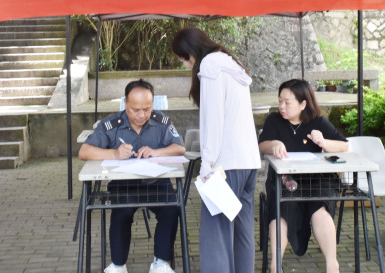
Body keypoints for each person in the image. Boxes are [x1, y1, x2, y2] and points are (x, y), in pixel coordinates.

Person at [171, 27, 261, 273]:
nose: (184, 65)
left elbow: (214, 120)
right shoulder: (231, 64)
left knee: (216, 237)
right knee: (243, 232)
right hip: (248, 161)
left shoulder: (210, 66)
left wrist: (207, 164)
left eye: (182, 60)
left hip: (225, 165)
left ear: (190, 53)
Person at [78, 79, 186, 273]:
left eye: (146, 109)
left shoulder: (161, 121)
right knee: (121, 212)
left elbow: (179, 148)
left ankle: (161, 263)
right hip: (123, 184)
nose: (141, 115)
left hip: (155, 182)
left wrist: (156, 152)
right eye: (135, 110)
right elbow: (84, 151)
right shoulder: (111, 125)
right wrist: (114, 153)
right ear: (125, 103)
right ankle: (118, 265)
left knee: (171, 209)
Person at [258, 79, 348, 273]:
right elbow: (262, 145)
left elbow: (344, 145)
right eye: (280, 101)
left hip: (317, 180)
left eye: (287, 102)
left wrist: (324, 142)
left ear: (303, 104)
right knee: (282, 208)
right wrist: (273, 144)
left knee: (320, 208)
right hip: (285, 181)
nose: (282, 106)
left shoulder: (318, 122)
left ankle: (332, 264)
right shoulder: (274, 120)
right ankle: (275, 265)